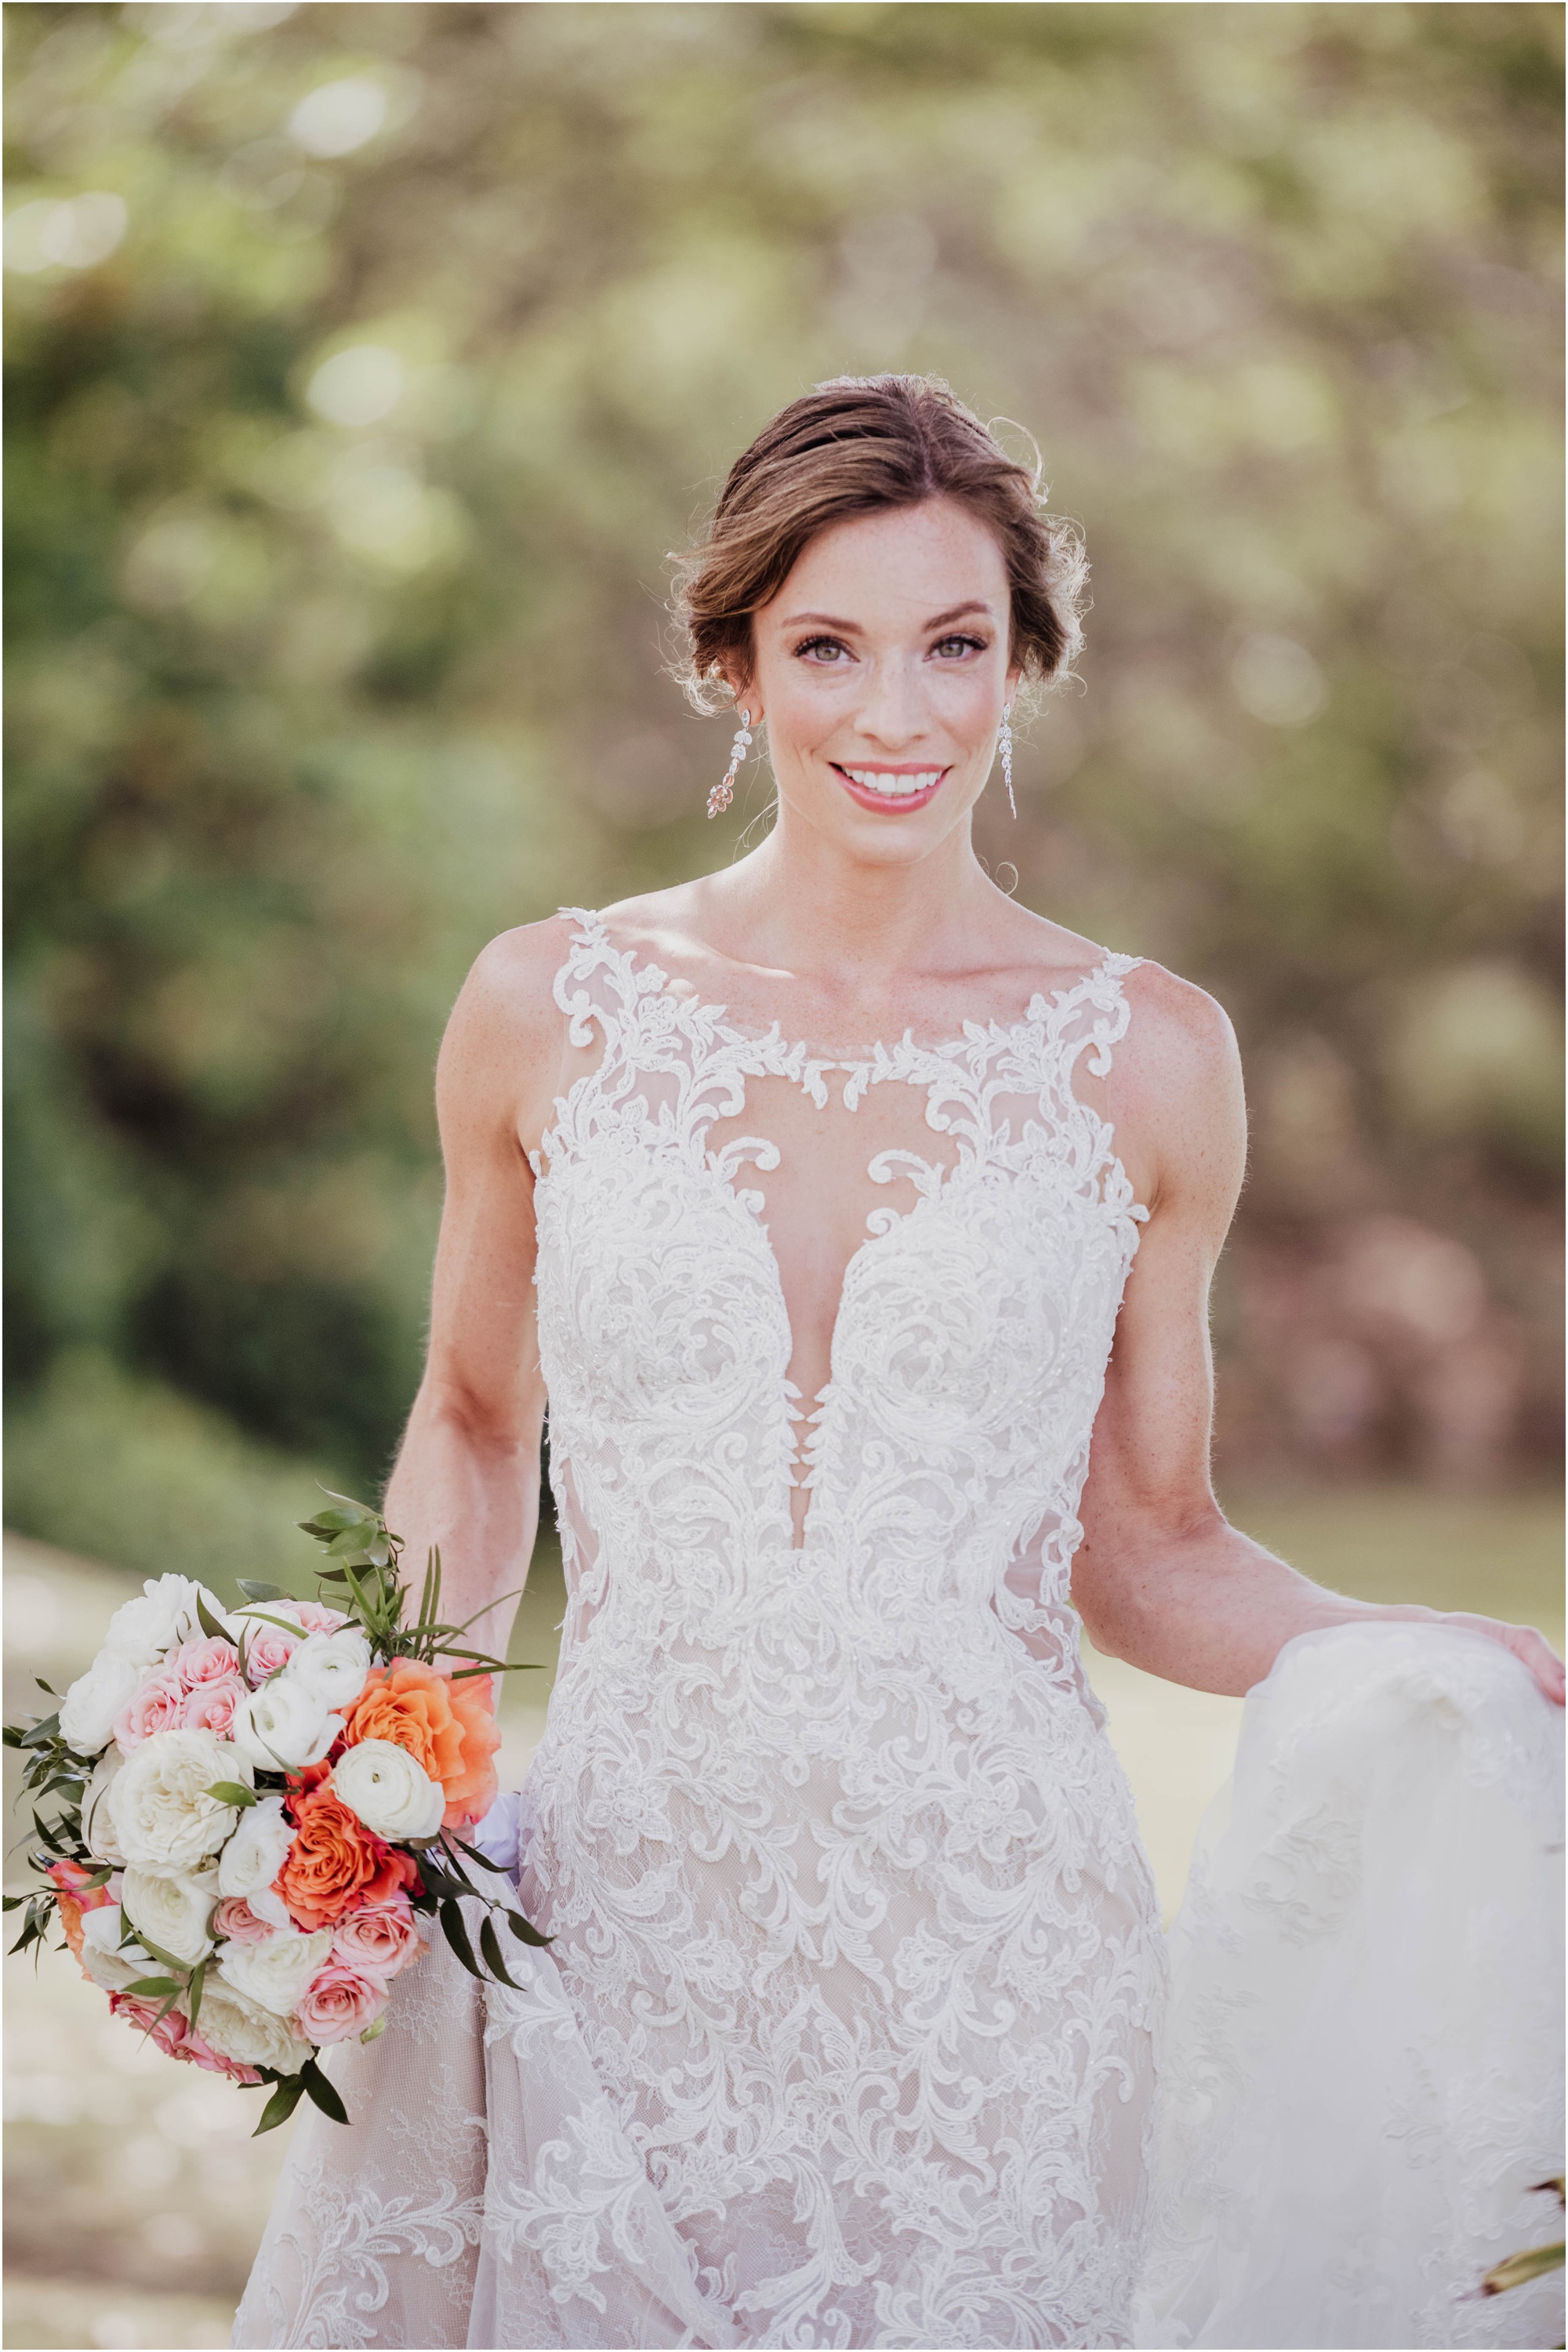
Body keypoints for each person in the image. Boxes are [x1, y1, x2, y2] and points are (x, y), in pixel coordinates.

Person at [233, 377, 1563, 2352]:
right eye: (826, 648)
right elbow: (474, 1414)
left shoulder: (1147, 1055)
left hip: (998, 1967)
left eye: (954, 647)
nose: (896, 714)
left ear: (1023, 662)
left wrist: (1429, 1645)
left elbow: (1152, 1543)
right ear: (732, 662)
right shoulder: (548, 1007)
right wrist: (394, 1769)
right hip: (619, 1911)